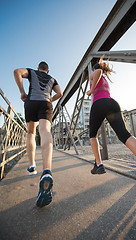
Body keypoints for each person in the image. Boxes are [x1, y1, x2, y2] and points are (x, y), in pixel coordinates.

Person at [86, 56, 136, 207]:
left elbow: (98, 70)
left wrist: (91, 90)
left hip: (99, 104)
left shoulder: (94, 72)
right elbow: (102, 72)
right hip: (113, 104)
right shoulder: (105, 78)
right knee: (125, 135)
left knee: (92, 135)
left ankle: (98, 164)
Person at [14, 61, 63, 207]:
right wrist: (50, 99)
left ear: (38, 69)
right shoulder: (52, 79)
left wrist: (22, 92)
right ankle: (47, 170)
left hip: (31, 101)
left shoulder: (32, 72)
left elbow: (17, 71)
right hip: (45, 103)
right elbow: (60, 93)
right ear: (48, 71)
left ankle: (31, 165)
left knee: (31, 132)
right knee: (45, 131)